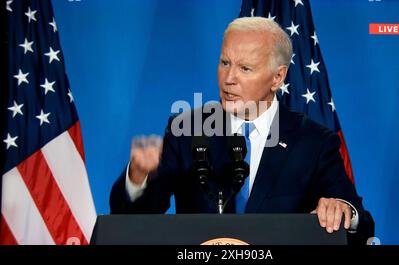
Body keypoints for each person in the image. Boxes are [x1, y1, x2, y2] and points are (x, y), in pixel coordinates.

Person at [110, 17, 374, 244]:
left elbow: (363, 226)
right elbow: (132, 218)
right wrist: (138, 177)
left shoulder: (313, 142)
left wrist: (343, 211)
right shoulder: (187, 129)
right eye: (225, 63)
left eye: (245, 68)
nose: (229, 78)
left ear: (277, 77)